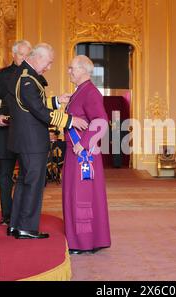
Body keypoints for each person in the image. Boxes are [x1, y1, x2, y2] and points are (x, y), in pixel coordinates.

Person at [5, 43, 88, 239]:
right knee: (33, 184)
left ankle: (15, 225)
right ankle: (27, 228)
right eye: (49, 63)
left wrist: (57, 101)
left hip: (24, 141)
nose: (49, 67)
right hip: (32, 142)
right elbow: (39, 111)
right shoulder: (27, 79)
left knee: (24, 182)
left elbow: (31, 104)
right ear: (38, 58)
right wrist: (69, 120)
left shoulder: (24, 75)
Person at [63, 55, 111, 254]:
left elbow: (101, 121)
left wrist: (83, 144)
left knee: (81, 197)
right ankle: (87, 240)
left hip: (83, 155)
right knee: (76, 196)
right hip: (75, 151)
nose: (69, 71)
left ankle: (83, 243)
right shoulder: (79, 92)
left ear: (82, 70)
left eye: (71, 68)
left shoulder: (90, 92)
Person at [0, 40, 32, 226]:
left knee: (27, 174)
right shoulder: (1, 76)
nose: (24, 58)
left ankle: (23, 213)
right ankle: (6, 215)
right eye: (21, 54)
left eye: (28, 54)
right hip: (6, 131)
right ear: (13, 54)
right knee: (5, 175)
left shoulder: (34, 76)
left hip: (27, 132)